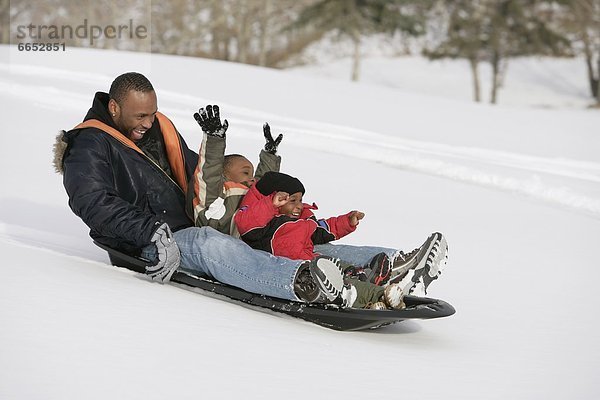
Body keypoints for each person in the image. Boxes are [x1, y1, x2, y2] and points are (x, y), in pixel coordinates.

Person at [53, 71, 447, 310]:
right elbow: (93, 203)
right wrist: (149, 232)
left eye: (153, 113)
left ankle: (389, 264)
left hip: (192, 222)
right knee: (211, 243)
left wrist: (252, 195)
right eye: (140, 116)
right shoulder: (89, 145)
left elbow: (200, 174)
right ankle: (303, 283)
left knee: (285, 234)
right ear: (114, 108)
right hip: (150, 241)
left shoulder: (155, 129)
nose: (148, 122)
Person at [187, 104, 282, 237]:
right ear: (223, 175)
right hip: (217, 243)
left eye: (252, 174)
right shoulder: (214, 195)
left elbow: (264, 185)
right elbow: (210, 172)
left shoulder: (251, 194)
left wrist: (270, 155)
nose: (252, 177)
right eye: (245, 172)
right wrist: (214, 139)